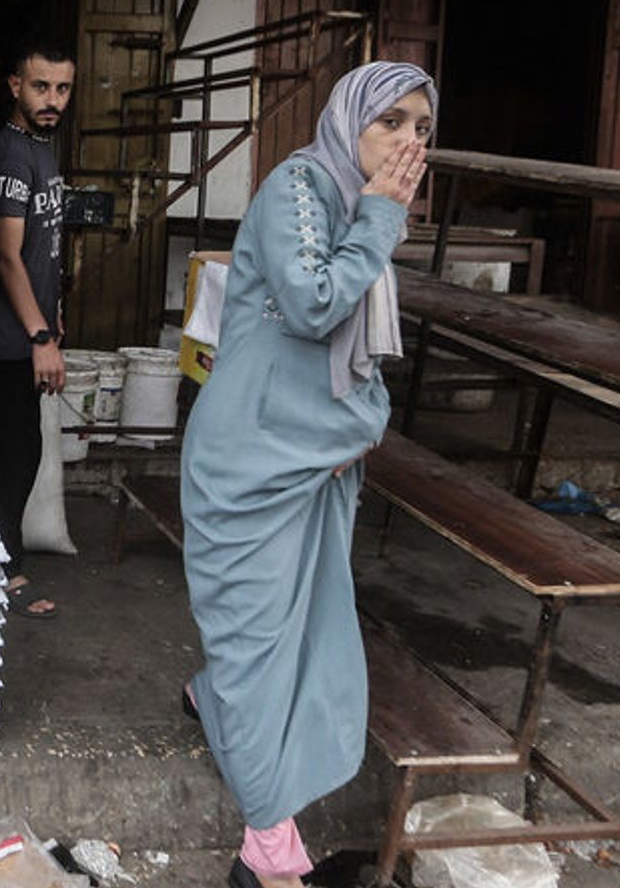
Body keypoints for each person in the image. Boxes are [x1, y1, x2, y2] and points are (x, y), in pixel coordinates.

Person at [179, 62, 434, 888]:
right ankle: (270, 850)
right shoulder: (301, 185)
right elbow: (316, 303)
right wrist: (384, 217)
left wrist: (362, 422)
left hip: (311, 461)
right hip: (248, 460)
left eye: (422, 128)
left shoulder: (362, 206)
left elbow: (355, 351)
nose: (407, 143)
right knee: (259, 641)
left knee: (298, 635)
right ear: (349, 117)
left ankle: (214, 698)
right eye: (390, 121)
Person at [0, 43, 77, 618]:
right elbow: (7, 256)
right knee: (15, 450)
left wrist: (52, 309)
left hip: (31, 323)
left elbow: (43, 249)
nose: (53, 100)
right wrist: (39, 335)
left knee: (13, 443)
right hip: (9, 334)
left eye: (63, 88)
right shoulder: (12, 156)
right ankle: (5, 569)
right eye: (41, 87)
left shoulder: (41, 146)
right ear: (15, 85)